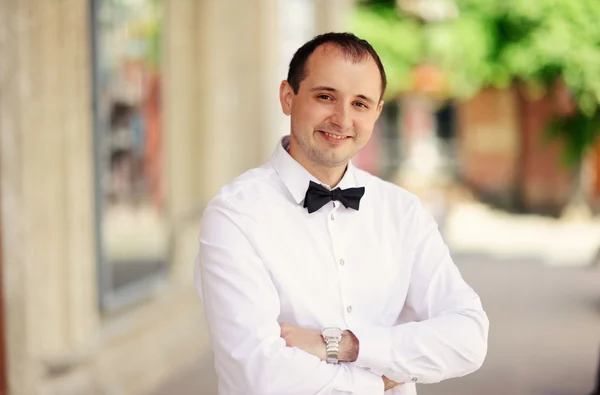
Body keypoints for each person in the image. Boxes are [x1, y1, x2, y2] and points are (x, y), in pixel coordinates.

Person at [194, 32, 489, 395]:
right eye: (325, 97)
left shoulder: (403, 212)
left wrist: (344, 345)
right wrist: (380, 380)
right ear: (288, 97)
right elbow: (259, 376)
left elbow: (469, 337)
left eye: (361, 104)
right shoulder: (235, 216)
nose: (341, 119)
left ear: (377, 113)